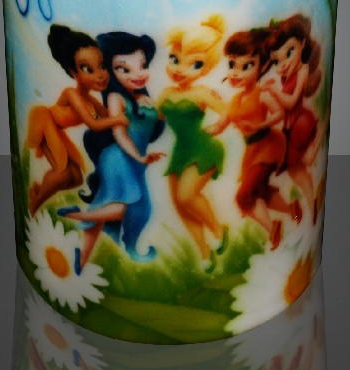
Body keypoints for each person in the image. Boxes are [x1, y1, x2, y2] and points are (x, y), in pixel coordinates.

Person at [61, 32, 165, 268]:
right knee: (131, 206)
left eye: (143, 65)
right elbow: (119, 134)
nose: (138, 74)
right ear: (110, 71)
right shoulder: (116, 98)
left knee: (120, 206)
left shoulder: (143, 98)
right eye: (124, 69)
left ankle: (82, 259)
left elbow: (157, 124)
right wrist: (139, 156)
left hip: (134, 161)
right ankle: (76, 216)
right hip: (120, 158)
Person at [207, 29, 302, 251]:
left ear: (262, 67)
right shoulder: (234, 101)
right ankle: (292, 209)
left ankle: (273, 229)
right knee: (260, 192)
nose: (237, 73)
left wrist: (259, 125)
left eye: (246, 66)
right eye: (232, 65)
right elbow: (220, 125)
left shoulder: (262, 93)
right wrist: (205, 130)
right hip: (252, 151)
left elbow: (279, 114)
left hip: (268, 146)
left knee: (244, 196)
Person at [25, 24, 127, 216]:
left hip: (57, 131)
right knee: (62, 171)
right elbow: (94, 124)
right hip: (45, 122)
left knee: (75, 178)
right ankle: (33, 206)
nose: (100, 75)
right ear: (74, 73)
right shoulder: (71, 94)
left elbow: (107, 115)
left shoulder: (89, 100)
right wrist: (119, 120)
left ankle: (38, 191)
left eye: (102, 66)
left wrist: (127, 108)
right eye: (88, 69)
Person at [158, 14, 227, 270]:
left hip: (203, 147)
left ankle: (218, 230)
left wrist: (219, 126)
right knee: (180, 205)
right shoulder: (166, 94)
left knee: (187, 196)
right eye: (174, 59)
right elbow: (155, 117)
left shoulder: (202, 93)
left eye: (195, 64)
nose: (180, 69)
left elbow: (227, 111)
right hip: (181, 150)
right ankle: (204, 253)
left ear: (206, 68)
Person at [262, 15, 322, 222]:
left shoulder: (303, 69)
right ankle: (311, 203)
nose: (284, 62)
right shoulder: (285, 73)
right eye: (277, 60)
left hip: (300, 123)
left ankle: (319, 138)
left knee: (299, 166)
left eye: (290, 52)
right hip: (290, 124)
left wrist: (273, 92)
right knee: (297, 169)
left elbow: (291, 102)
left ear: (303, 44)